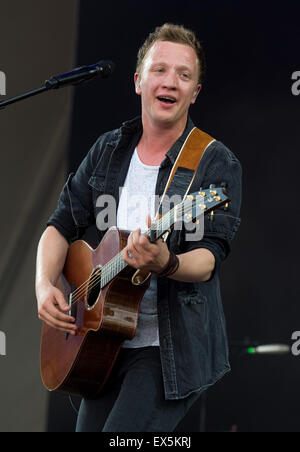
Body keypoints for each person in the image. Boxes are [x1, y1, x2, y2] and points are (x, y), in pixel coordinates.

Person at [35, 23, 242, 432]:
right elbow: (60, 226)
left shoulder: (214, 162)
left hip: (167, 351)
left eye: (184, 75)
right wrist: (44, 286)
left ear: (195, 92)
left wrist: (165, 262)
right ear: (138, 81)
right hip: (101, 343)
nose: (170, 82)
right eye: (159, 70)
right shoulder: (109, 149)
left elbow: (210, 258)